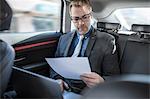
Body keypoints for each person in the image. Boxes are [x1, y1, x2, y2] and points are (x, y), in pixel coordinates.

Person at [50, 0, 120, 98]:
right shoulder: (64, 39)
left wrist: (102, 81)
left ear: (90, 16)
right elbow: (55, 67)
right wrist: (57, 80)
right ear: (72, 19)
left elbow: (114, 77)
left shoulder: (107, 40)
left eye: (85, 17)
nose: (81, 23)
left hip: (90, 92)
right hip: (65, 89)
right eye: (76, 19)